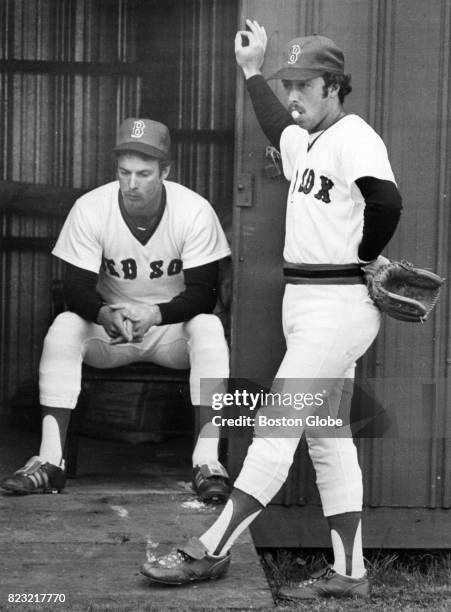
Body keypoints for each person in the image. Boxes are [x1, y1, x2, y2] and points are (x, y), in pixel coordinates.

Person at [139, 21, 402, 600]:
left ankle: (210, 550)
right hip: (309, 305)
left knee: (276, 429)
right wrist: (253, 71)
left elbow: (386, 200)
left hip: (336, 306)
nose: (294, 95)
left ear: (333, 86)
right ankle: (350, 575)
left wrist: (364, 258)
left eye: (305, 84)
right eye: (290, 84)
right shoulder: (304, 139)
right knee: (328, 437)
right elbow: (276, 123)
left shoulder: (354, 134)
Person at [1, 118, 231, 504]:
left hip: (170, 331)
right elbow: (75, 288)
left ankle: (207, 463)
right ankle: (49, 459)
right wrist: (104, 314)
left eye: (144, 173)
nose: (132, 183)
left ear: (166, 171)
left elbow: (203, 294)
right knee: (64, 325)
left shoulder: (194, 210)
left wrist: (154, 314)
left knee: (208, 326)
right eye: (124, 172)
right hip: (111, 329)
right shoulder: (91, 208)